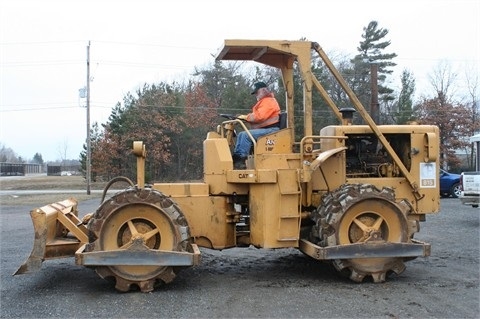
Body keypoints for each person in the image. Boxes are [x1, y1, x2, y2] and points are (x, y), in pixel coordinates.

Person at [232, 81, 281, 169]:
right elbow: (259, 118)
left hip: (272, 130)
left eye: (257, 92)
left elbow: (260, 117)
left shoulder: (269, 101)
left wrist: (245, 117)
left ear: (263, 90)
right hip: (268, 129)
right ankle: (237, 159)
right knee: (241, 135)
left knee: (245, 135)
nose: (256, 95)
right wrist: (242, 118)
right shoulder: (264, 102)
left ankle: (240, 161)